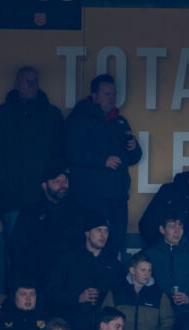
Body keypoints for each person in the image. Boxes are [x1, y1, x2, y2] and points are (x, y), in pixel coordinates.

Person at [64, 74, 141, 257]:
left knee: (114, 248)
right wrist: (102, 161)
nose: (111, 98)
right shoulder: (80, 119)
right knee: (89, 250)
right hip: (90, 198)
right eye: (106, 94)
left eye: (114, 94)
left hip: (117, 199)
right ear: (94, 95)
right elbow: (71, 152)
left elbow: (134, 158)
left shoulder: (119, 121)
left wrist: (133, 148)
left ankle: (110, 286)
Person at [0, 66, 65, 237]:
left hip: (44, 197)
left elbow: (60, 154)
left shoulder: (52, 114)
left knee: (44, 249)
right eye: (26, 81)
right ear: (17, 84)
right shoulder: (3, 114)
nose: (31, 85)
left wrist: (49, 186)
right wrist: (4, 182)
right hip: (11, 197)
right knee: (14, 250)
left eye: (34, 81)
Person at [101, 252, 174, 330]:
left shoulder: (159, 296)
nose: (147, 274)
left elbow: (168, 326)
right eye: (143, 270)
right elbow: (104, 322)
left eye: (149, 270)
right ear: (132, 270)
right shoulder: (116, 293)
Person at [140, 206, 189, 311]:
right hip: (154, 313)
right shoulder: (148, 255)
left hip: (186, 314)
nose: (177, 231)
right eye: (172, 227)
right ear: (162, 229)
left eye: (180, 226)